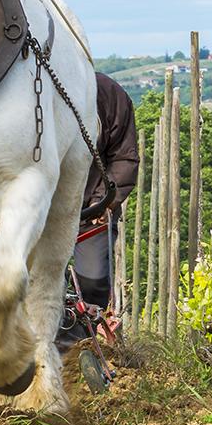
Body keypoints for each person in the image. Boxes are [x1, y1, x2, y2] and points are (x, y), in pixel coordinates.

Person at [71, 72, 139, 313]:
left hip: (91, 212)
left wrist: (103, 203)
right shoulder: (29, 89)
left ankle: (81, 346)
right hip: (38, 213)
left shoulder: (109, 94)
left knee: (92, 282)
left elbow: (123, 157)